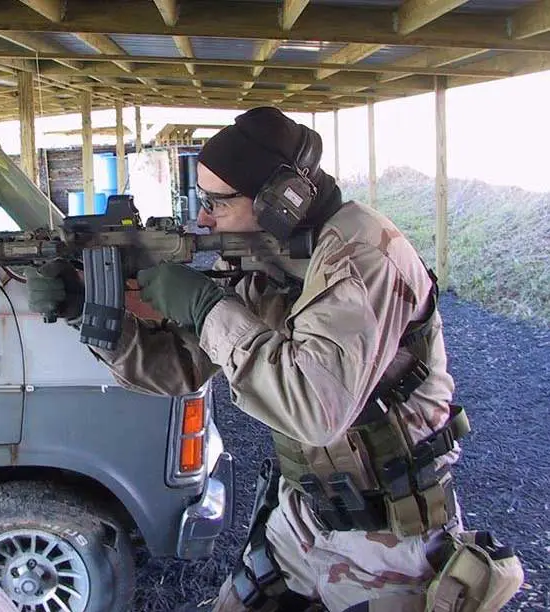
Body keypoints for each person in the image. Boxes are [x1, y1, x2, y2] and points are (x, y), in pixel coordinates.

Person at [26, 107, 517, 612]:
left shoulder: (362, 256)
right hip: (303, 515)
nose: (202, 218)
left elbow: (313, 410)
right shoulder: (261, 254)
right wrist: (91, 313)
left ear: (283, 201)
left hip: (391, 538)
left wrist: (208, 308)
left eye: (217, 202)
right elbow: (181, 368)